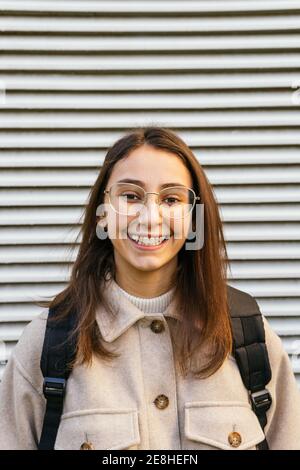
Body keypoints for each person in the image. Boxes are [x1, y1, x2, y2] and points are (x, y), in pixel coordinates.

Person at [0, 126, 299, 450]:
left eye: (171, 199)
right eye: (131, 196)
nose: (150, 217)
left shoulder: (248, 335)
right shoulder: (48, 343)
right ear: (103, 213)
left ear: (193, 219)